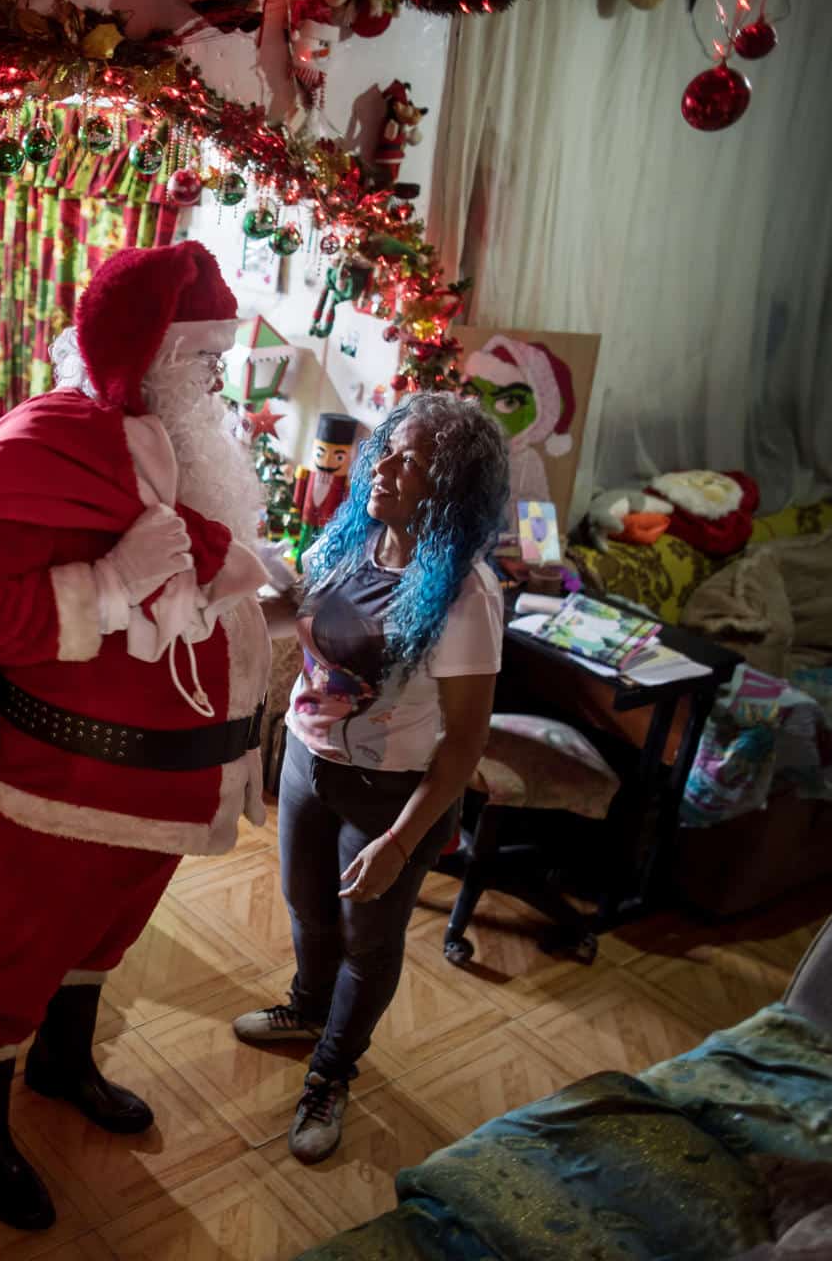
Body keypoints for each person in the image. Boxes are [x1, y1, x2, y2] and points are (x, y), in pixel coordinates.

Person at [0, 241, 291, 1231]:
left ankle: (61, 1060)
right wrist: (108, 582)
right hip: (64, 787)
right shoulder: (54, 442)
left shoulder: (176, 450)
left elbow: (205, 571)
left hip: (170, 789)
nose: (216, 382)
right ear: (148, 359)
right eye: (203, 362)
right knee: (12, 959)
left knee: (106, 937)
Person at [233, 391, 510, 1165]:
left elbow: (464, 743)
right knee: (305, 907)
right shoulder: (346, 542)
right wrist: (232, 598)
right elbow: (293, 616)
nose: (379, 466)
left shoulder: (464, 595)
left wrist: (397, 842)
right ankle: (306, 1008)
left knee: (368, 941)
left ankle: (330, 1074)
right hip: (305, 761)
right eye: (386, 449)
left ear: (448, 488)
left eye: (409, 460)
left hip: (392, 793)